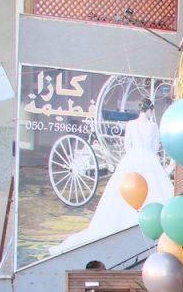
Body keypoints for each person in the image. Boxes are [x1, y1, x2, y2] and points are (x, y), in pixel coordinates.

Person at [51, 98, 173, 255]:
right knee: (156, 190)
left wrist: (134, 155)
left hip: (132, 159)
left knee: (123, 191)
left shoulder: (131, 125)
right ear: (149, 110)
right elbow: (155, 147)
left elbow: (127, 146)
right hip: (150, 160)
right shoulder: (153, 126)